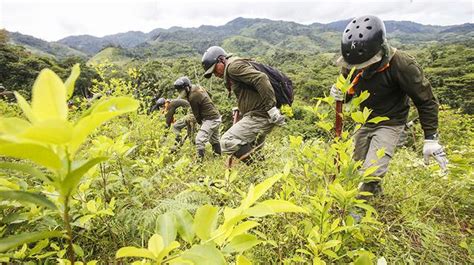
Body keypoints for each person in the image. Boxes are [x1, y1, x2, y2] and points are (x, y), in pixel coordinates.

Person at [330, 15, 448, 196]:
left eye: (365, 65)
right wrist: (340, 94)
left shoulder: (402, 64)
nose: (361, 68)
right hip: (364, 119)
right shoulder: (352, 62)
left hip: (391, 122)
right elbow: (349, 90)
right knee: (358, 165)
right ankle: (376, 195)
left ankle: (358, 211)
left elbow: (425, 100)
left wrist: (431, 138)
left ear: (379, 51)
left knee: (371, 171)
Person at [201, 46, 285, 164]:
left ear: (221, 60)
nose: (215, 74)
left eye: (215, 69)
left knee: (227, 141)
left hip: (259, 115)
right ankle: (263, 175)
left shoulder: (232, 67)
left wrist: (271, 108)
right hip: (257, 114)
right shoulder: (235, 64)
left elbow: (261, 78)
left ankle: (260, 168)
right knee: (254, 149)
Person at [173, 76, 222, 160]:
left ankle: (199, 163)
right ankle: (218, 159)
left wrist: (200, 124)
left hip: (210, 119)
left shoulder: (193, 97)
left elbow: (197, 115)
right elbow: (210, 95)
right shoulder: (198, 87)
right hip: (216, 116)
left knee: (199, 140)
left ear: (187, 88)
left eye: (181, 90)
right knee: (214, 140)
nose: (180, 92)